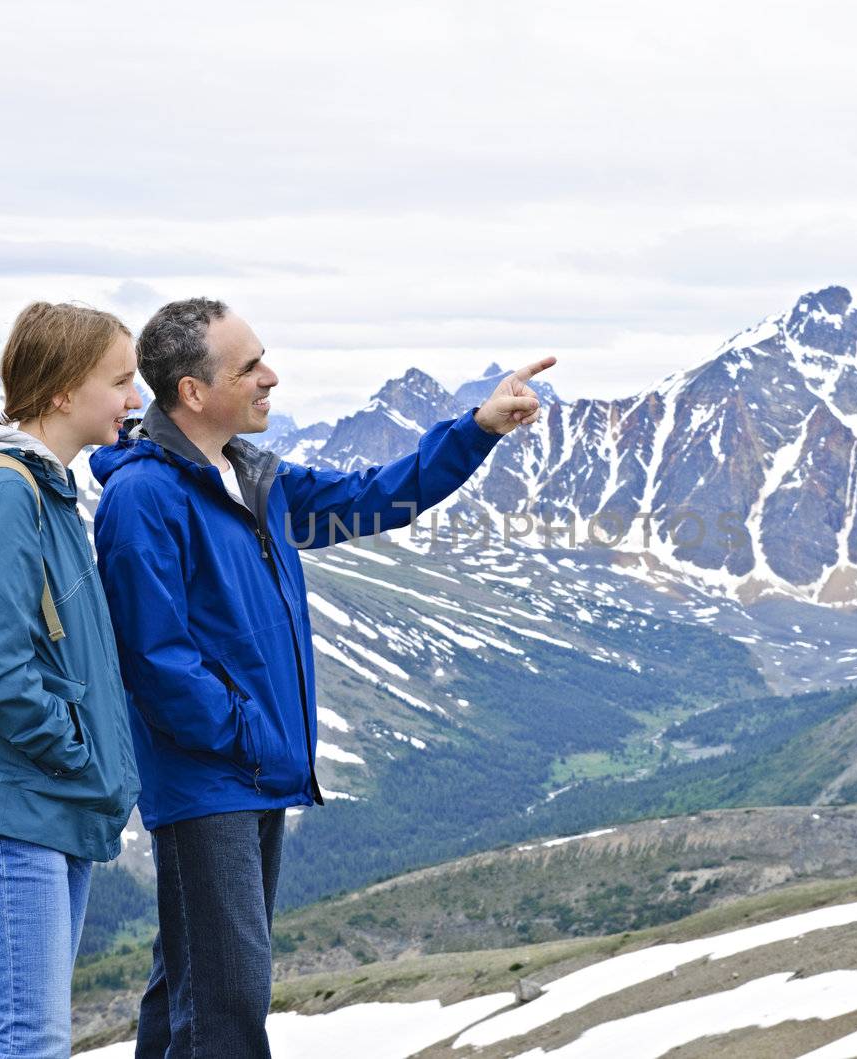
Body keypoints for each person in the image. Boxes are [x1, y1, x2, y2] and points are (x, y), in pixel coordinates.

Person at [90, 297, 553, 1057]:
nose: (271, 377)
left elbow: (374, 497)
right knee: (228, 1009)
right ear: (193, 392)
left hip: (249, 772)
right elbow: (158, 662)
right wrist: (249, 737)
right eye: (249, 367)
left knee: (190, 991)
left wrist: (476, 431)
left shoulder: (253, 477)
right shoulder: (144, 498)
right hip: (213, 781)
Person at [0, 301, 144, 1058]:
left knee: (27, 1035)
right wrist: (75, 751)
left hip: (42, 798)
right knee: (29, 1040)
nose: (133, 399)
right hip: (15, 800)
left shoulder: (43, 487)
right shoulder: (5, 490)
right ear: (60, 391)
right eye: (119, 380)